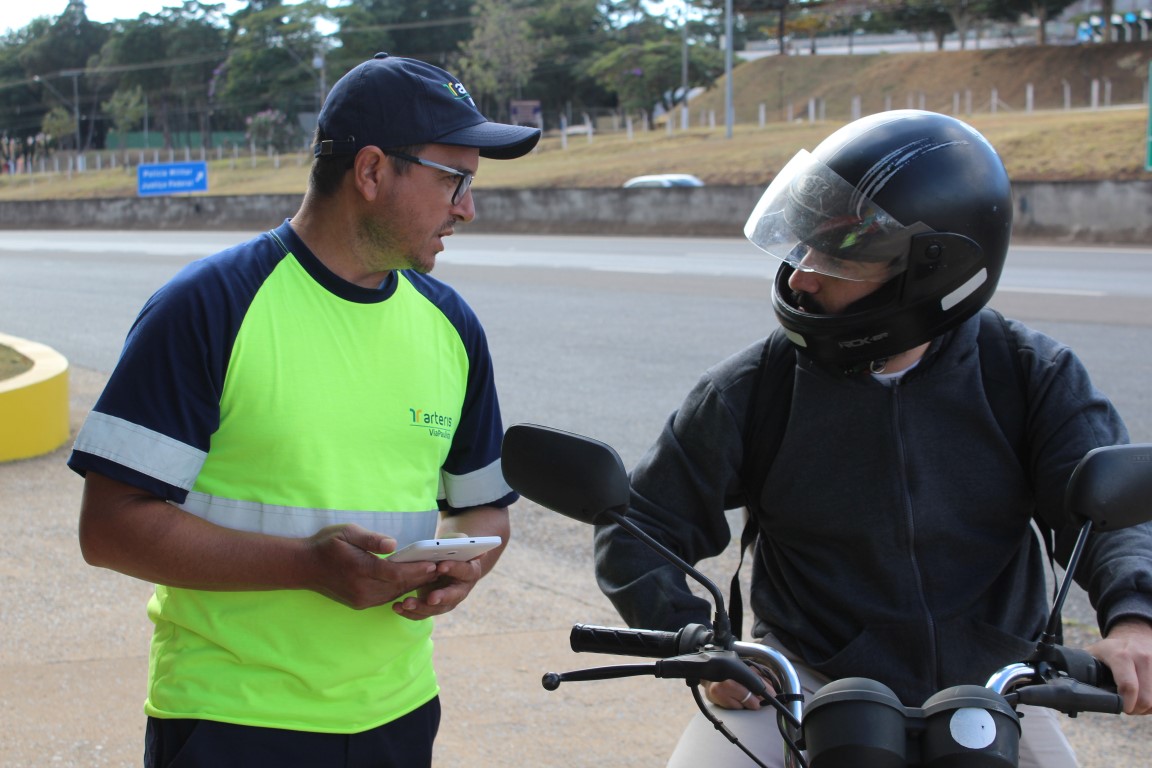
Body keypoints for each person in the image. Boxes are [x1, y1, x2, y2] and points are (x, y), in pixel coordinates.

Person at [593, 110, 1152, 767]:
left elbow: (1115, 517)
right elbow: (640, 527)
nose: (801, 275)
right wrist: (709, 650)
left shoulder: (1028, 374)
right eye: (804, 245)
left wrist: (1134, 619)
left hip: (995, 691)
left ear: (930, 271)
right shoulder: (756, 387)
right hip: (806, 685)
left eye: (836, 256)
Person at [68, 53, 540, 768]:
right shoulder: (209, 306)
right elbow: (108, 528)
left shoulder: (452, 327)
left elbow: (484, 511)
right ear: (373, 171)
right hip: (230, 718)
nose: (468, 207)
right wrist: (307, 567)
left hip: (399, 711)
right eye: (456, 179)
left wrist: (466, 567)